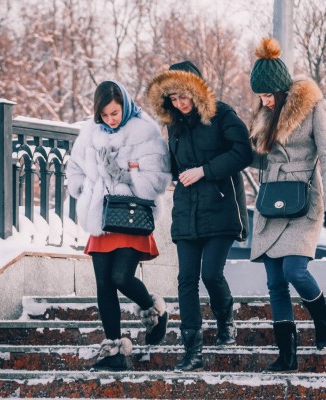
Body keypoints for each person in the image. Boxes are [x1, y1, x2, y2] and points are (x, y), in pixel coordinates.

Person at [146, 61, 253, 372]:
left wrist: (205, 171)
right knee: (186, 279)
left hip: (220, 207)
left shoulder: (222, 114)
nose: (180, 104)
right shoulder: (174, 125)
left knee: (211, 274)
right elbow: (174, 166)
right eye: (173, 98)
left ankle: (226, 323)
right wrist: (147, 165)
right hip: (187, 211)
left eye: (184, 96)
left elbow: (243, 152)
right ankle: (192, 350)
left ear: (197, 90)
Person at [247, 38, 326, 372]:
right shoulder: (262, 113)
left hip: (303, 199)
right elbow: (260, 159)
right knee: (275, 282)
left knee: (294, 270)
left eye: (268, 95)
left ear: (281, 89)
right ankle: (287, 356)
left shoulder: (313, 105)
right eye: (260, 96)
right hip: (271, 200)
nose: (264, 101)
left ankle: (323, 318)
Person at [66, 80, 172, 371]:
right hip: (101, 216)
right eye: (104, 115)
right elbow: (74, 168)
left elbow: (158, 179)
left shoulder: (144, 131)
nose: (110, 119)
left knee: (121, 277)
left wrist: (124, 175)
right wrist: (83, 185)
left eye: (115, 113)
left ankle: (155, 312)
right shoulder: (91, 132)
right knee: (103, 285)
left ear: (125, 105)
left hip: (130, 215)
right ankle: (114, 351)